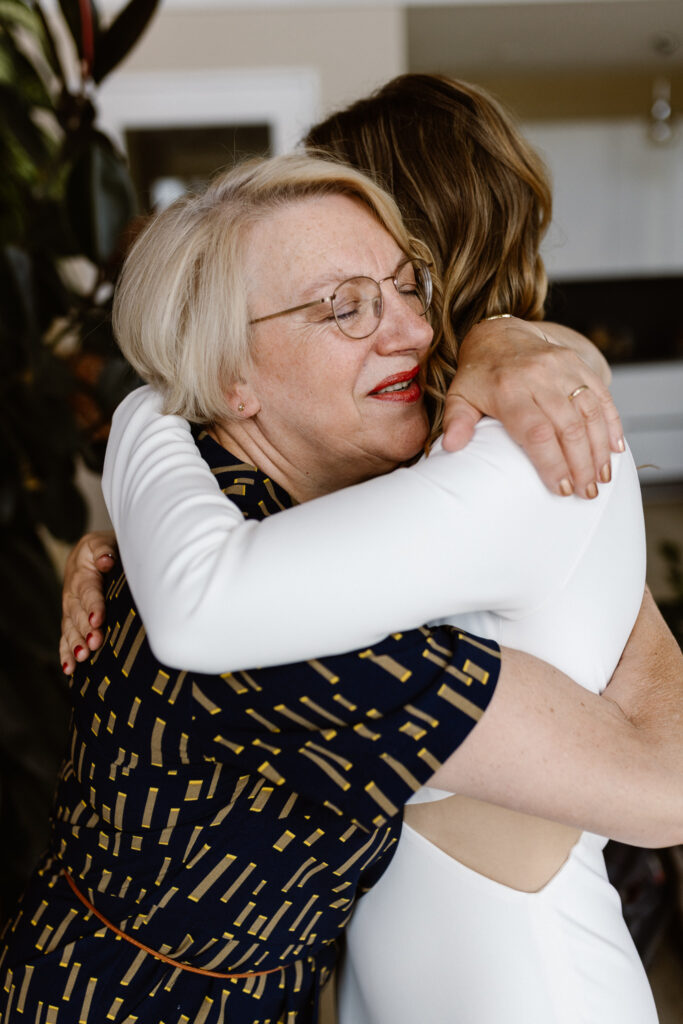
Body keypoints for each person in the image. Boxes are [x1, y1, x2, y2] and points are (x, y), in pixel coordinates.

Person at [52, 82, 682, 1023]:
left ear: (417, 242)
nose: (392, 318)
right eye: (342, 297)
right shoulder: (439, 457)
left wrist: (148, 405)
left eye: (393, 280)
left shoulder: (505, 453)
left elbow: (211, 598)